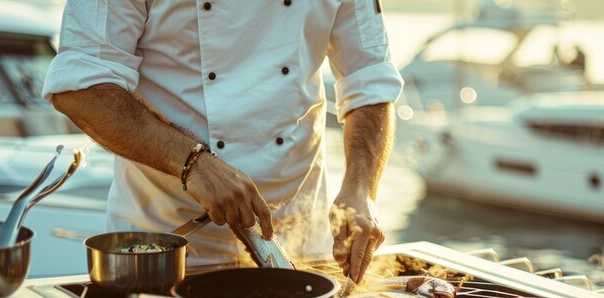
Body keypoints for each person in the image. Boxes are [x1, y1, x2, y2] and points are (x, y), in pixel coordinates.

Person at [42, 2, 403, 283]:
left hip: (301, 244)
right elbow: (82, 88)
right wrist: (192, 162)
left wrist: (361, 190)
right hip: (168, 249)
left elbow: (367, 78)